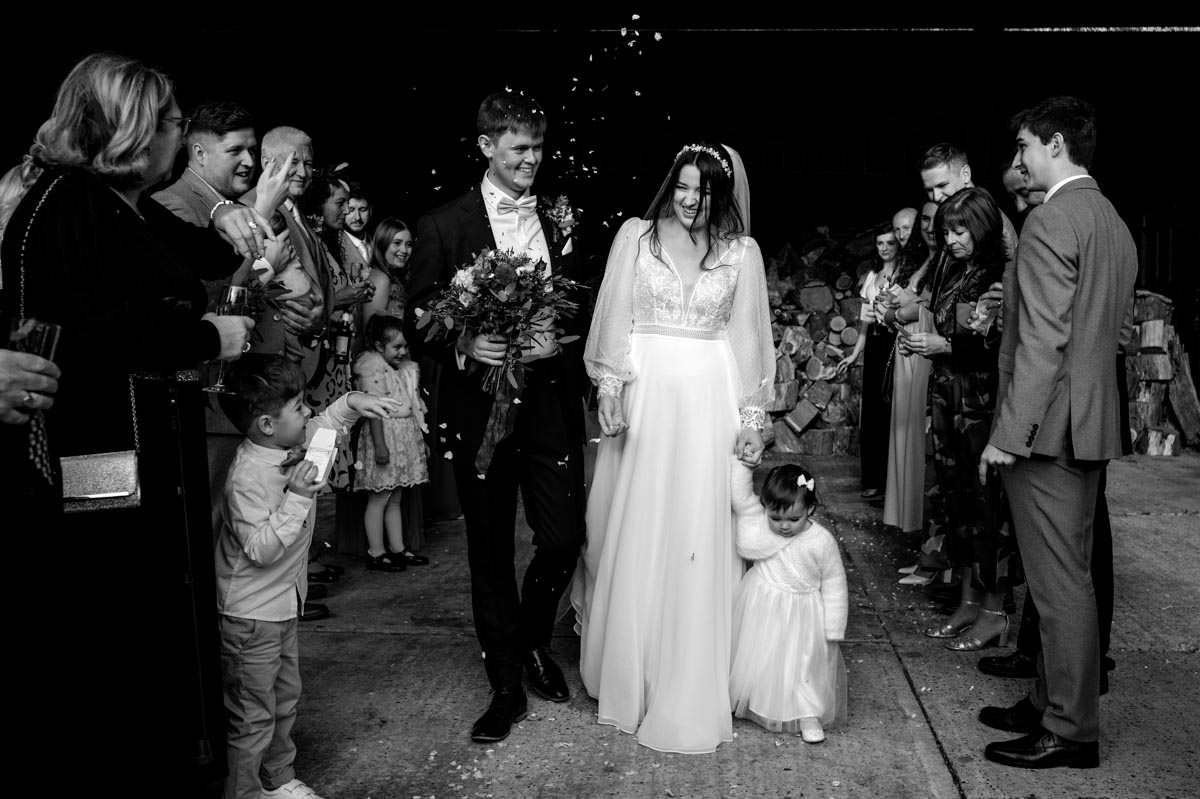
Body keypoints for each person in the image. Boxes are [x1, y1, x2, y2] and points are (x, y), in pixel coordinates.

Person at [0, 52, 262, 791]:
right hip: (102, 457)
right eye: (175, 123)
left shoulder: (93, 200)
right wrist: (212, 337)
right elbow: (102, 331)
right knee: (124, 624)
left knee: (134, 619)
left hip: (115, 448)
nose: (179, 138)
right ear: (135, 128)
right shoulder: (77, 201)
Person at [572, 141, 774, 754]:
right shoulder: (637, 236)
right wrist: (610, 388)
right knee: (638, 524)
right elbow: (613, 319)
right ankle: (633, 669)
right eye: (683, 186)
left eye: (704, 191)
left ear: (723, 194)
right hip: (649, 398)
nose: (691, 200)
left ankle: (691, 669)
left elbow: (748, 337)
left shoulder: (742, 253)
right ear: (671, 184)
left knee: (698, 528)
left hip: (710, 401)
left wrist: (752, 416)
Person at [404, 91, 590, 744]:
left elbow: (575, 301)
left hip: (544, 399)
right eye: (519, 148)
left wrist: (559, 334)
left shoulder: (557, 217)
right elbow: (418, 314)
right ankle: (506, 684)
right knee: (488, 550)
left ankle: (535, 637)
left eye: (538, 148)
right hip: (477, 402)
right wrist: (462, 343)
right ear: (486, 146)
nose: (532, 160)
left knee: (564, 535)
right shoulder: (443, 223)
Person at [979, 96, 1137, 770]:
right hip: (1090, 422)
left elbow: (1042, 342)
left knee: (1059, 584)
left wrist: (1006, 434)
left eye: (1023, 148)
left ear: (1054, 143)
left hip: (1047, 430)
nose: (1017, 162)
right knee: (1067, 573)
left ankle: (1071, 729)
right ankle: (1050, 704)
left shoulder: (1050, 222)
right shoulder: (1112, 221)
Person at [216, 354, 402, 799]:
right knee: (252, 714)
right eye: (298, 407)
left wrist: (354, 401)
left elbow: (327, 423)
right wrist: (297, 498)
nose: (307, 413)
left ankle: (278, 780)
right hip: (250, 614)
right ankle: (242, 794)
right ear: (265, 424)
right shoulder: (246, 476)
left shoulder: (293, 440)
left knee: (283, 702)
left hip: (281, 607)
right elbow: (260, 550)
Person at [898, 187, 1013, 653]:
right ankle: (967, 601)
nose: (951, 238)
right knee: (956, 502)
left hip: (981, 402)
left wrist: (945, 347)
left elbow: (1000, 342)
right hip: (946, 394)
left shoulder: (1001, 272)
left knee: (989, 507)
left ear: (983, 227)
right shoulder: (950, 266)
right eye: (946, 230)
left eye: (960, 229)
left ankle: (994, 612)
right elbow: (944, 322)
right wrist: (920, 340)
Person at [729, 460, 848, 744]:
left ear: (810, 509)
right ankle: (755, 698)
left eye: (793, 520)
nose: (783, 526)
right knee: (762, 657)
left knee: (804, 665)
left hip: (803, 612)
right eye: (775, 518)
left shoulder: (821, 541)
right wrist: (743, 465)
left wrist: (833, 627)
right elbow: (741, 498)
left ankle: (808, 713)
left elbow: (834, 582)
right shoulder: (761, 524)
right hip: (764, 604)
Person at [352, 315, 430, 569]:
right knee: (379, 498)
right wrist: (380, 445)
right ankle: (376, 552)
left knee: (395, 498)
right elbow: (374, 411)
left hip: (404, 438)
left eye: (405, 346)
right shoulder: (373, 370)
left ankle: (398, 548)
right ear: (378, 346)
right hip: (385, 437)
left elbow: (413, 407)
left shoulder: (403, 370)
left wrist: (420, 441)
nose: (403, 351)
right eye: (396, 347)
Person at [880, 201, 936, 539]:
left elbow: (929, 307)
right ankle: (912, 527)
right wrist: (891, 310)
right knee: (904, 435)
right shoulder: (918, 259)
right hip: (907, 348)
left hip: (924, 349)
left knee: (919, 438)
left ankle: (923, 533)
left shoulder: (945, 260)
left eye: (934, 220)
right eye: (925, 221)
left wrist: (899, 312)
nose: (928, 227)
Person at [836, 224, 900, 499]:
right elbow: (864, 321)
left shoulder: (905, 274)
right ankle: (872, 479)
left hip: (895, 344)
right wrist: (854, 353)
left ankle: (891, 482)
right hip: (874, 343)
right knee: (872, 412)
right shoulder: (873, 275)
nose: (884, 248)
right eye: (880, 244)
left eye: (889, 243)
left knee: (890, 412)